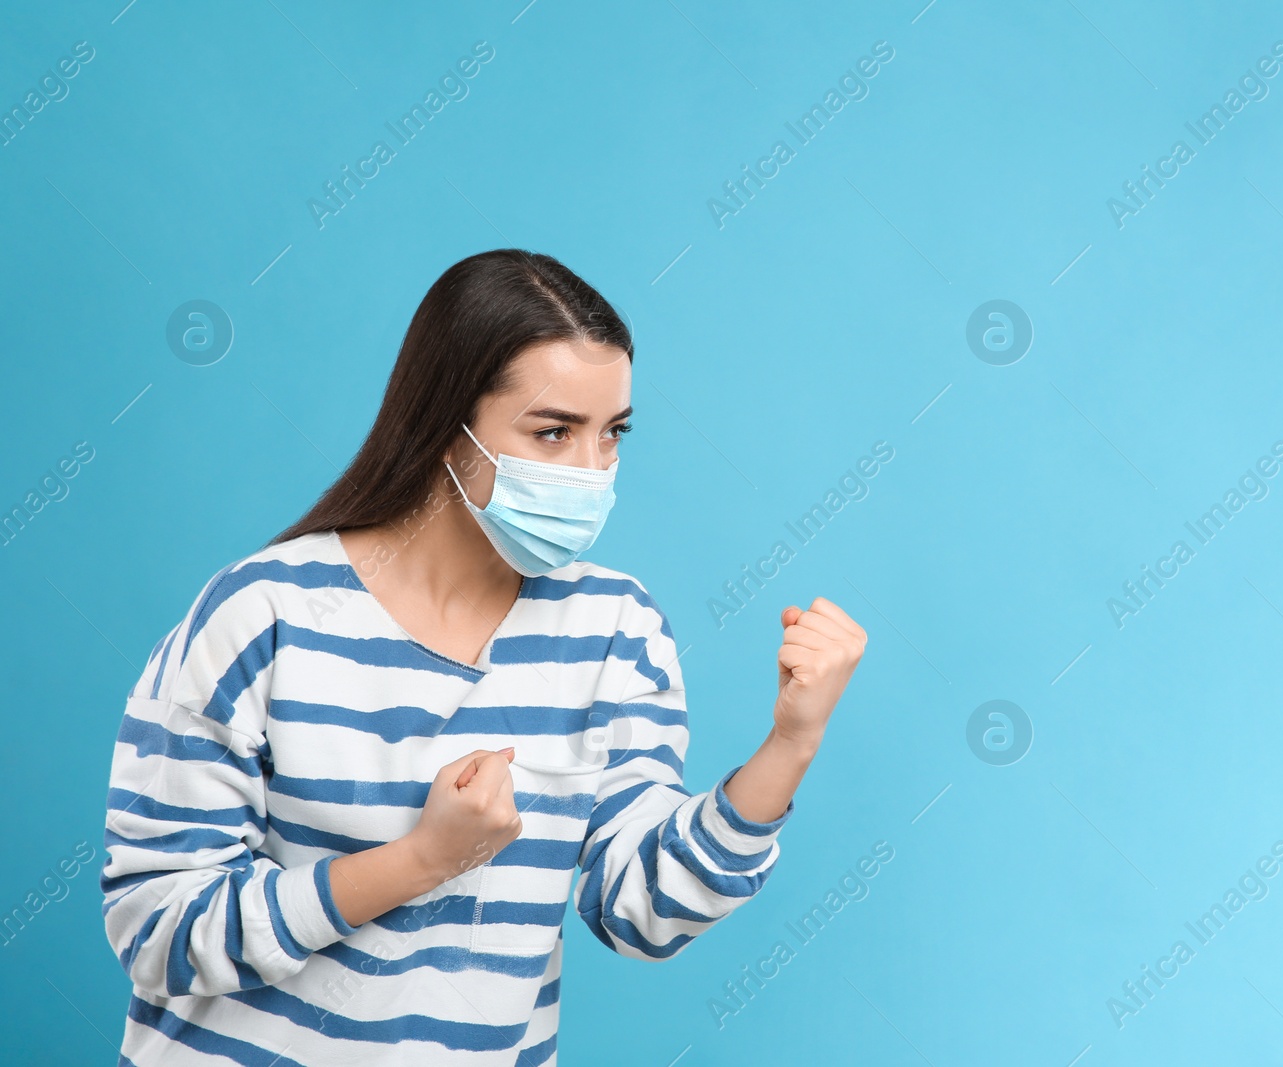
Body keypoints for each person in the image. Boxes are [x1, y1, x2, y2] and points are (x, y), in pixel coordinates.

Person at [99, 249, 868, 1064]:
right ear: (445, 424)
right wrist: (421, 860)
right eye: (553, 432)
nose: (591, 472)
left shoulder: (614, 628)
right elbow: (160, 930)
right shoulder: (264, 613)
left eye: (612, 435)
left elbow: (643, 911)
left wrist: (791, 743)